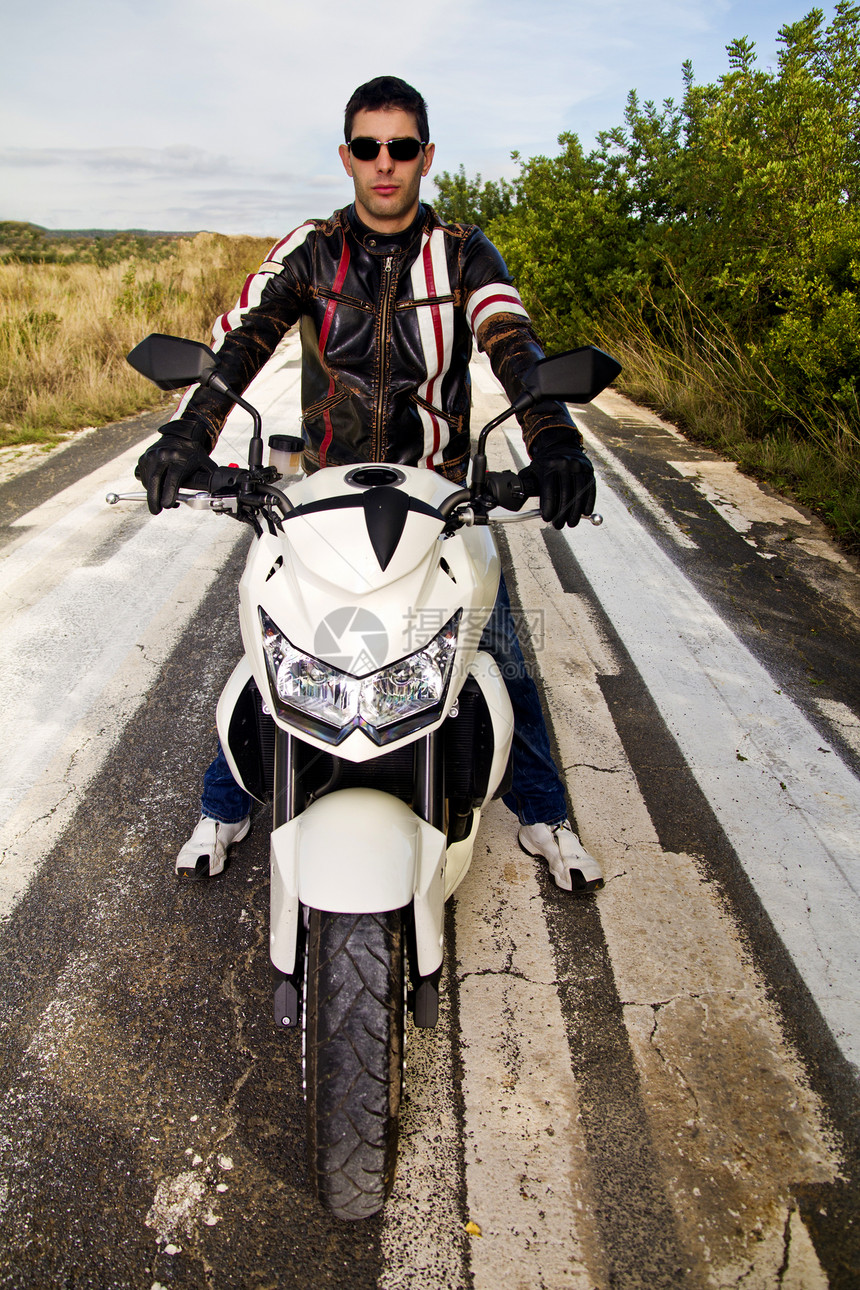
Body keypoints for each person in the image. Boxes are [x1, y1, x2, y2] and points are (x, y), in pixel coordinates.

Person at [136, 75, 604, 895]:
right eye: (367, 147)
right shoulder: (311, 250)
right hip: (322, 492)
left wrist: (556, 441)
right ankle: (228, 799)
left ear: (425, 155)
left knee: (495, 649)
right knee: (268, 637)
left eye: (400, 147)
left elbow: (512, 344)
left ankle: (542, 809)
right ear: (346, 156)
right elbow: (244, 340)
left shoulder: (465, 252)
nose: (383, 164)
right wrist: (187, 435)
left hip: (440, 493)